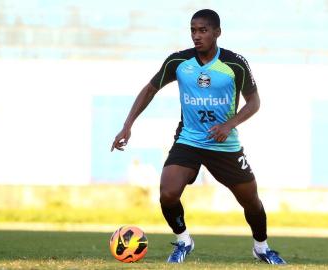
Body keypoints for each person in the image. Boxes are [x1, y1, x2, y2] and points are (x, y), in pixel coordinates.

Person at [111, 9, 286, 264]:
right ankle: (184, 241)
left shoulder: (235, 64)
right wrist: (127, 125)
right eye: (193, 30)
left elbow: (254, 102)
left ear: (217, 32)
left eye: (203, 30)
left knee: (251, 200)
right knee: (168, 192)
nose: (196, 35)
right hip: (189, 140)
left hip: (224, 144)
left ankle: (262, 247)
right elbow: (150, 89)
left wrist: (229, 124)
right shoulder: (179, 62)